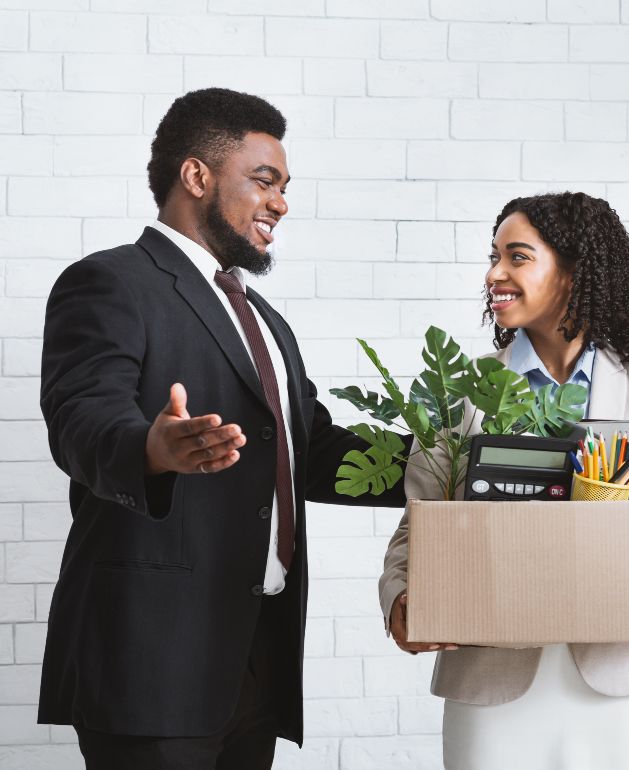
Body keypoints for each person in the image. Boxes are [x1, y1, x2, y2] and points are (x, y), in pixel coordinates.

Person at [38, 87, 405, 770]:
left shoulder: (264, 319)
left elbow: (315, 453)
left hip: (254, 652)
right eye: (264, 181)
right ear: (196, 175)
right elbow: (81, 417)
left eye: (286, 187)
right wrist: (151, 447)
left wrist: (444, 467)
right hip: (151, 658)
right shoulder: (110, 282)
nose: (281, 203)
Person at [379, 191, 629, 769]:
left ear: (574, 270)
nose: (495, 274)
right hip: (490, 682)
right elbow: (415, 527)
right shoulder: (460, 390)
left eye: (517, 257)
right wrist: (400, 602)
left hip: (617, 678)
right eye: (494, 257)